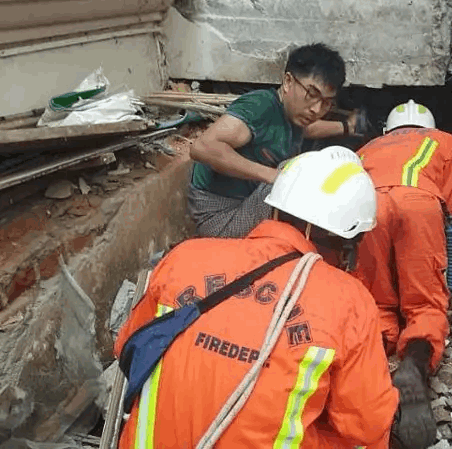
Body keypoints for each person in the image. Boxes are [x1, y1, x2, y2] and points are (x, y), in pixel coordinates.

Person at [115, 147, 399, 448]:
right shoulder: (348, 300)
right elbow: (367, 425)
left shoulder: (185, 256)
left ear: (274, 208)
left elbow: (127, 349)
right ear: (348, 242)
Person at [353, 100, 452, 448]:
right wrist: (450, 245)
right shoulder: (445, 141)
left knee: (374, 301)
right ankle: (415, 364)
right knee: (425, 305)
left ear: (387, 129)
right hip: (419, 203)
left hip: (369, 207)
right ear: (429, 127)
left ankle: (371, 367)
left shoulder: (365, 148)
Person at [188, 43, 361, 238]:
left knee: (304, 169)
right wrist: (273, 176)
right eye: (312, 94)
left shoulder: (294, 114)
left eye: (326, 103)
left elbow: (306, 130)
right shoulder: (259, 107)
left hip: (247, 200)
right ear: (288, 81)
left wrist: (346, 127)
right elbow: (202, 147)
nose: (316, 110)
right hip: (220, 218)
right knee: (292, 178)